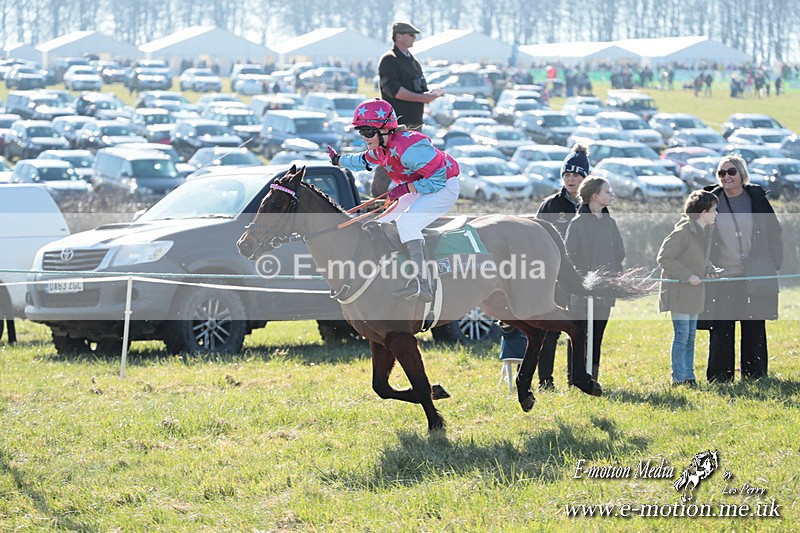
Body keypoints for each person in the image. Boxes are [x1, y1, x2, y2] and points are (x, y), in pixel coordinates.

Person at [328, 98, 460, 302]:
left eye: (368, 132)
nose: (364, 137)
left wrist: (406, 188)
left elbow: (437, 180)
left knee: (406, 222)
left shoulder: (410, 148)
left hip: (443, 187)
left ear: (386, 130)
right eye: (361, 132)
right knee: (378, 224)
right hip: (420, 186)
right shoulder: (383, 149)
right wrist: (338, 160)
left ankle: (422, 283)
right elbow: (361, 160)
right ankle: (389, 273)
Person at [702, 155, 783, 383]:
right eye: (721, 173)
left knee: (755, 326)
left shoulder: (756, 198)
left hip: (754, 275)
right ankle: (720, 376)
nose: (726, 177)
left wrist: (773, 262)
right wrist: (704, 265)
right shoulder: (710, 200)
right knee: (721, 330)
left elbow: (774, 231)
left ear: (741, 174)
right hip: (722, 277)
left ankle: (755, 374)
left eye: (731, 172)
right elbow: (697, 234)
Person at [522, 144, 589, 391]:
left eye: (577, 174)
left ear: (585, 177)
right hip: (553, 276)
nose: (571, 179)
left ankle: (576, 378)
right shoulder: (551, 204)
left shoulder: (590, 206)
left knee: (579, 328)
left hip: (579, 276)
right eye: (567, 174)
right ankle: (545, 381)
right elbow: (535, 238)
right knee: (551, 329)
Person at [372, 21, 444, 197]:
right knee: (388, 164)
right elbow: (394, 91)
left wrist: (431, 94)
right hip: (395, 124)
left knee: (412, 165)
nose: (414, 38)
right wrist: (424, 98)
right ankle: (377, 203)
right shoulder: (390, 60)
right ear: (398, 36)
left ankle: (410, 201)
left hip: (414, 122)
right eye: (410, 34)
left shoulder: (412, 61)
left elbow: (419, 87)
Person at [564, 176, 625, 381]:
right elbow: (569, 257)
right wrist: (583, 282)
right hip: (581, 294)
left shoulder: (610, 223)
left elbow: (619, 254)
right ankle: (575, 379)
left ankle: (593, 378)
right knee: (579, 337)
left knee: (596, 337)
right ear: (595, 195)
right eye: (608, 191)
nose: (612, 195)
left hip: (604, 293)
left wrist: (614, 277)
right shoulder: (578, 224)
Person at [657, 190, 720, 387]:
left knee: (691, 337)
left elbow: (699, 258)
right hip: (680, 293)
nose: (716, 214)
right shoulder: (683, 231)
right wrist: (688, 276)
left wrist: (709, 269)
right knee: (682, 336)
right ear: (703, 212)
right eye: (714, 210)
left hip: (695, 293)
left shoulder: (706, 231)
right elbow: (664, 258)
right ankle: (678, 378)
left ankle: (689, 377)